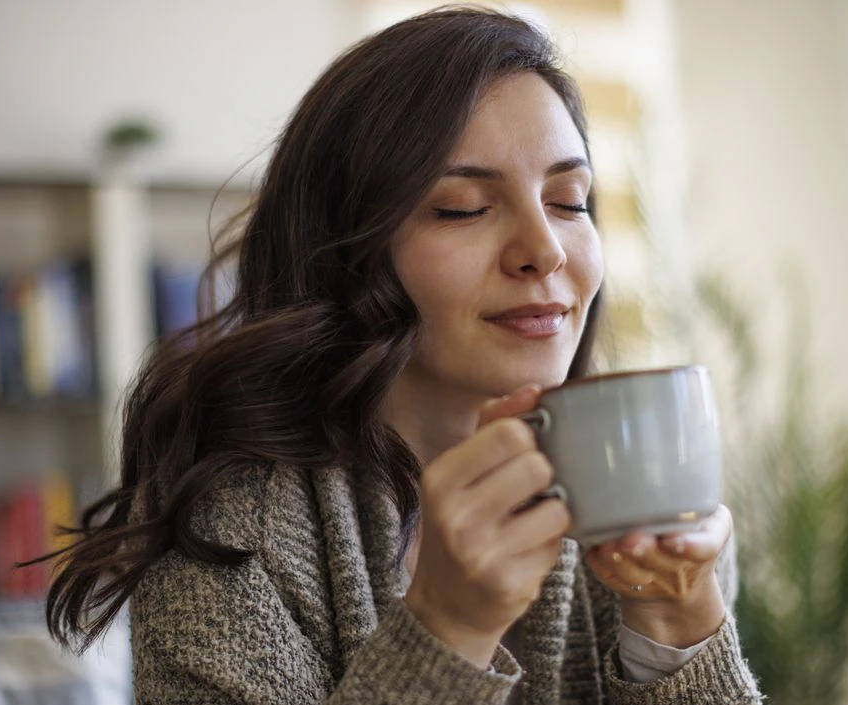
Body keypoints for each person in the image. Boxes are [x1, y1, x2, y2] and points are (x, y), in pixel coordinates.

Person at [40, 7, 762, 704]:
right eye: (461, 208)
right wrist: (446, 630)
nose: (543, 249)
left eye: (569, 201)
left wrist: (677, 626)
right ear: (347, 253)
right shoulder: (229, 534)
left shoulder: (639, 500)